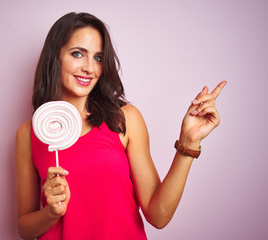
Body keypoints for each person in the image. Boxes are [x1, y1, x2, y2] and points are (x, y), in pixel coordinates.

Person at [15, 12, 227, 240]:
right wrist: (50, 213)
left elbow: (159, 216)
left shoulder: (124, 119)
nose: (89, 68)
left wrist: (189, 142)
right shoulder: (29, 134)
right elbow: (24, 229)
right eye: (78, 54)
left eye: (98, 58)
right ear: (55, 58)